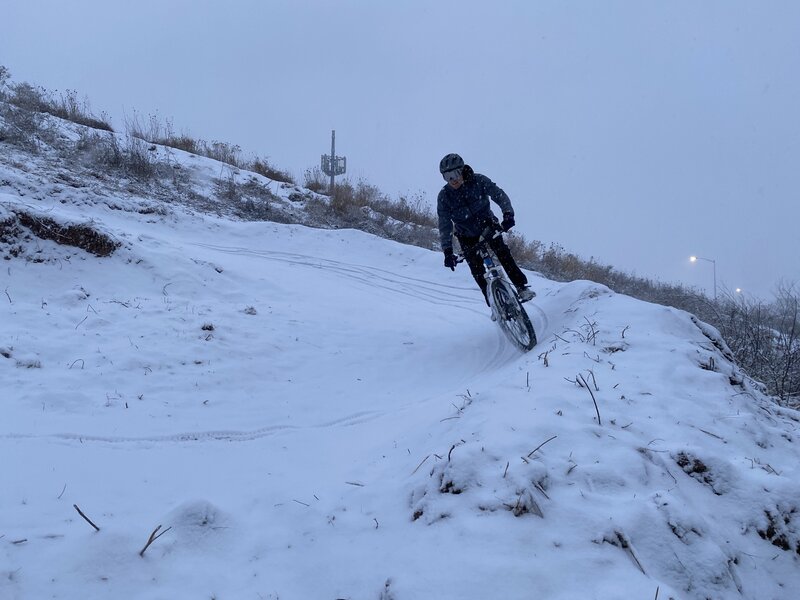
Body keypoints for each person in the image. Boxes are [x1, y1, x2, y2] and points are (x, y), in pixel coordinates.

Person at [437, 153, 535, 305]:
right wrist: (447, 251)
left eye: (455, 173)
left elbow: (499, 195)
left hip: (487, 226)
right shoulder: (444, 196)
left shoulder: (479, 181)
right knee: (477, 270)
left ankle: (521, 287)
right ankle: (493, 303)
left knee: (504, 254)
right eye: (447, 176)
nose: (453, 179)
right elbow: (444, 224)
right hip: (466, 235)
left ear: (462, 170)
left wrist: (508, 214)